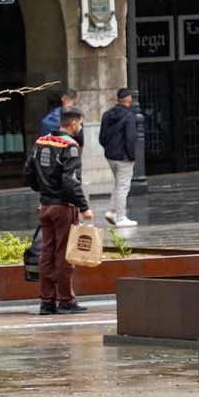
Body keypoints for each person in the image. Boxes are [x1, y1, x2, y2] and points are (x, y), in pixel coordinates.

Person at [24, 107, 93, 316]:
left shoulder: (41, 141)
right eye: (80, 124)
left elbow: (28, 173)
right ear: (73, 124)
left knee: (47, 254)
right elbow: (70, 181)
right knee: (64, 255)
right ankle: (66, 301)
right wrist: (84, 207)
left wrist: (44, 192)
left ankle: (47, 302)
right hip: (64, 208)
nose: (80, 128)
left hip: (45, 207)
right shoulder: (70, 146)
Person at [99, 88, 138, 229]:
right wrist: (131, 155)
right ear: (129, 100)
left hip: (111, 156)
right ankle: (121, 218)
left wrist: (109, 149)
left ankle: (112, 211)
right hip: (123, 157)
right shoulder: (129, 116)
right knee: (123, 187)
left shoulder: (106, 115)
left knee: (119, 184)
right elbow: (131, 138)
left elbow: (102, 138)